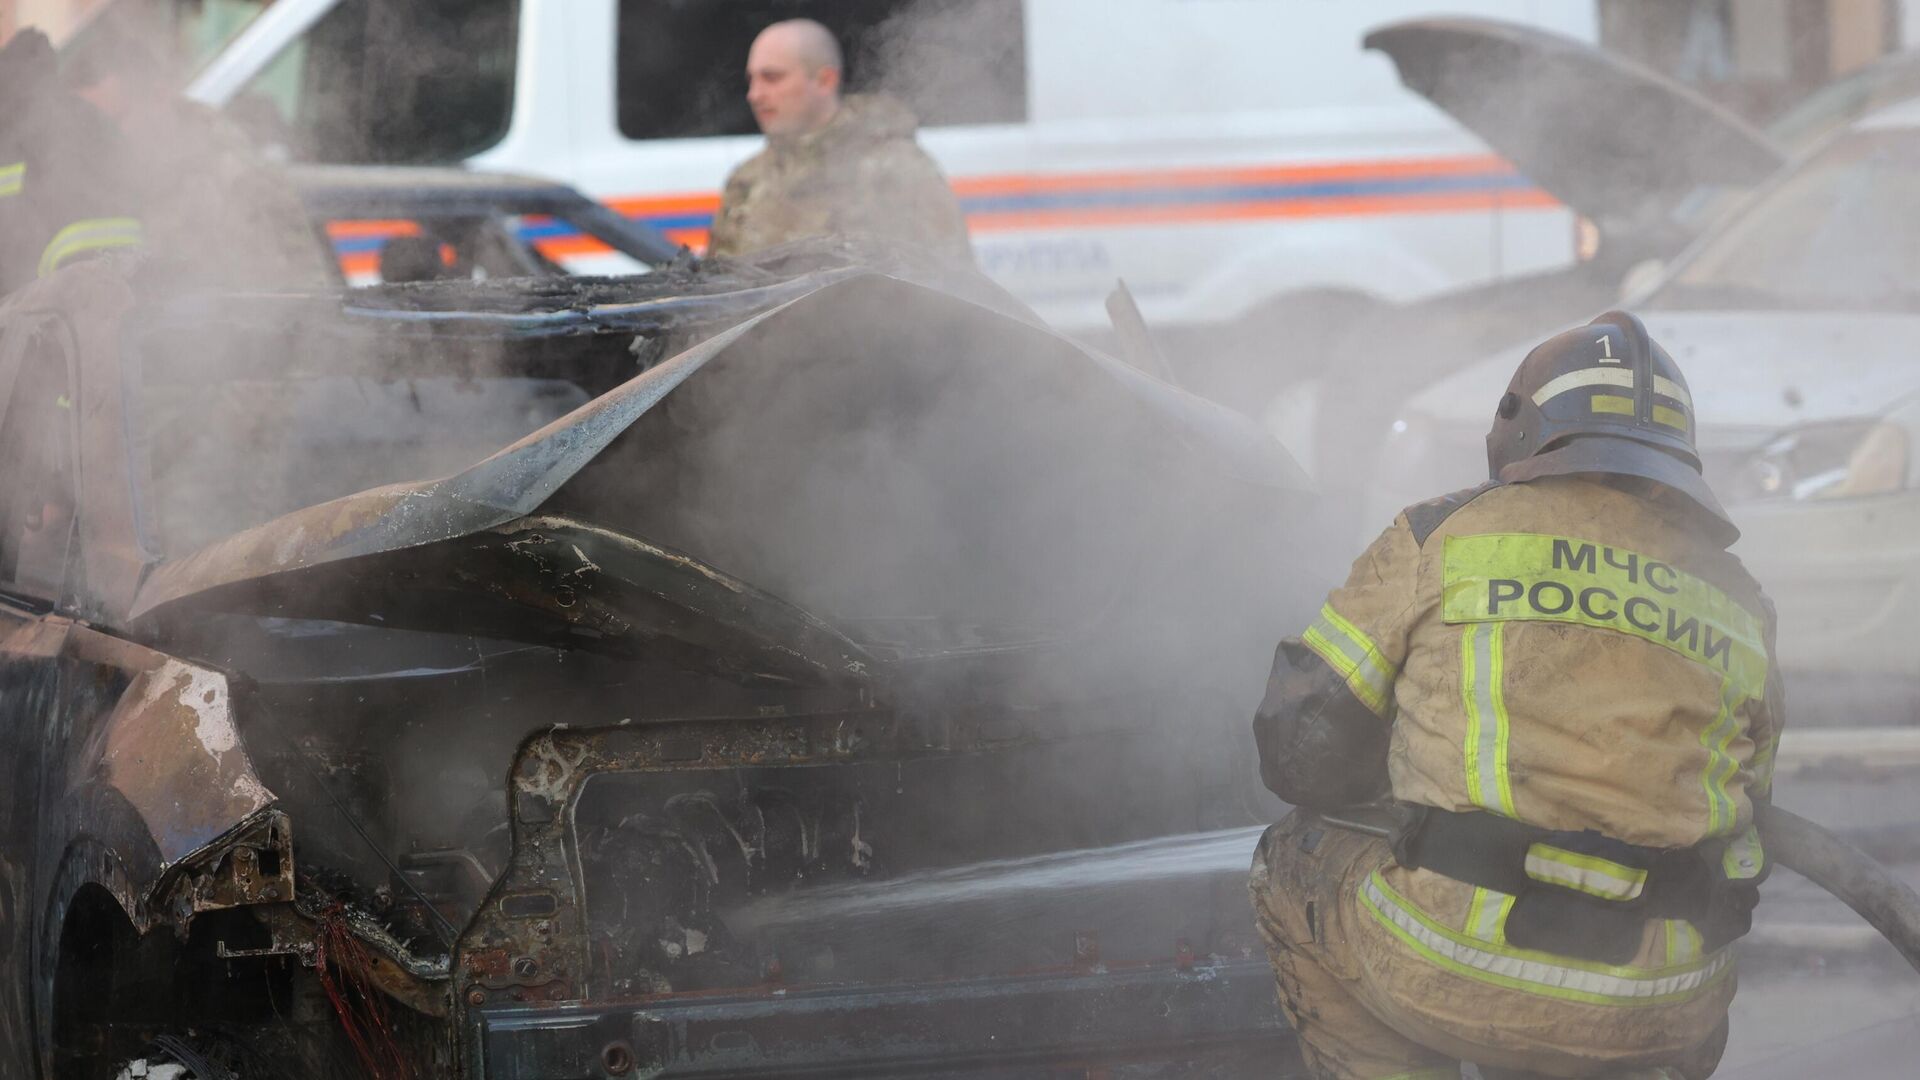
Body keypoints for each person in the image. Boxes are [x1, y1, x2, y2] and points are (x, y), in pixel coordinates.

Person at [1249, 311, 1783, 1079]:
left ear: (1521, 429)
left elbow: (1303, 757)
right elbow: (1751, 812)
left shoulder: (1443, 533)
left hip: (1456, 964)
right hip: (1666, 1002)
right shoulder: (1741, 598)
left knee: (1291, 857)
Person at [707, 18, 972, 264]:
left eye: (772, 78)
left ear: (825, 80)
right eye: (751, 80)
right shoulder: (747, 182)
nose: (755, 94)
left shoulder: (895, 169)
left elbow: (954, 287)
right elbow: (718, 293)